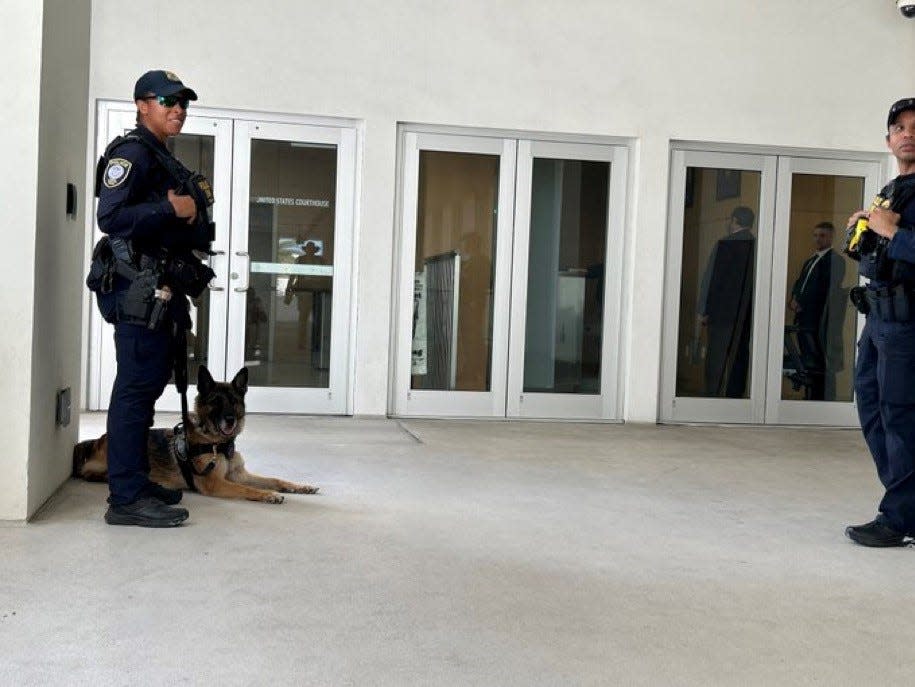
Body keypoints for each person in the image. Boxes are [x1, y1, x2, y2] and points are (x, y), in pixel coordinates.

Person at [95, 70, 205, 527]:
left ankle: (135, 481)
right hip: (138, 290)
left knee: (148, 387)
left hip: (159, 290)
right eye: (167, 101)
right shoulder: (132, 154)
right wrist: (171, 208)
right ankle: (124, 499)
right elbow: (111, 216)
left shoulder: (160, 156)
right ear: (142, 104)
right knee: (134, 391)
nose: (177, 108)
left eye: (182, 102)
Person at [845, 98, 915, 546]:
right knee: (872, 408)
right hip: (880, 319)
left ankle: (899, 517)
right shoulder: (891, 189)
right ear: (888, 140)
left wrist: (894, 232)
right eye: (899, 127)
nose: (907, 133)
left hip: (908, 324)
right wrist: (864, 234)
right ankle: (906, 502)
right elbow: (876, 255)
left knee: (901, 416)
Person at [697, 206, 756, 398]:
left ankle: (712, 395)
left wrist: (704, 309)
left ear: (735, 220)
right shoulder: (756, 245)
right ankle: (734, 397)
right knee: (739, 356)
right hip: (746, 313)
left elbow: (712, 278)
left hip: (721, 313)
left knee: (716, 356)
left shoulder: (725, 244)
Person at [787, 222, 847, 400]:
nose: (818, 239)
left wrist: (804, 302)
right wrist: (794, 299)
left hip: (819, 320)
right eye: (815, 235)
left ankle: (824, 400)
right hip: (804, 318)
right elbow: (800, 282)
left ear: (831, 237)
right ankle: (811, 397)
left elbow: (827, 290)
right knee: (808, 361)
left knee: (822, 362)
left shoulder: (836, 260)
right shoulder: (811, 260)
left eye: (822, 235)